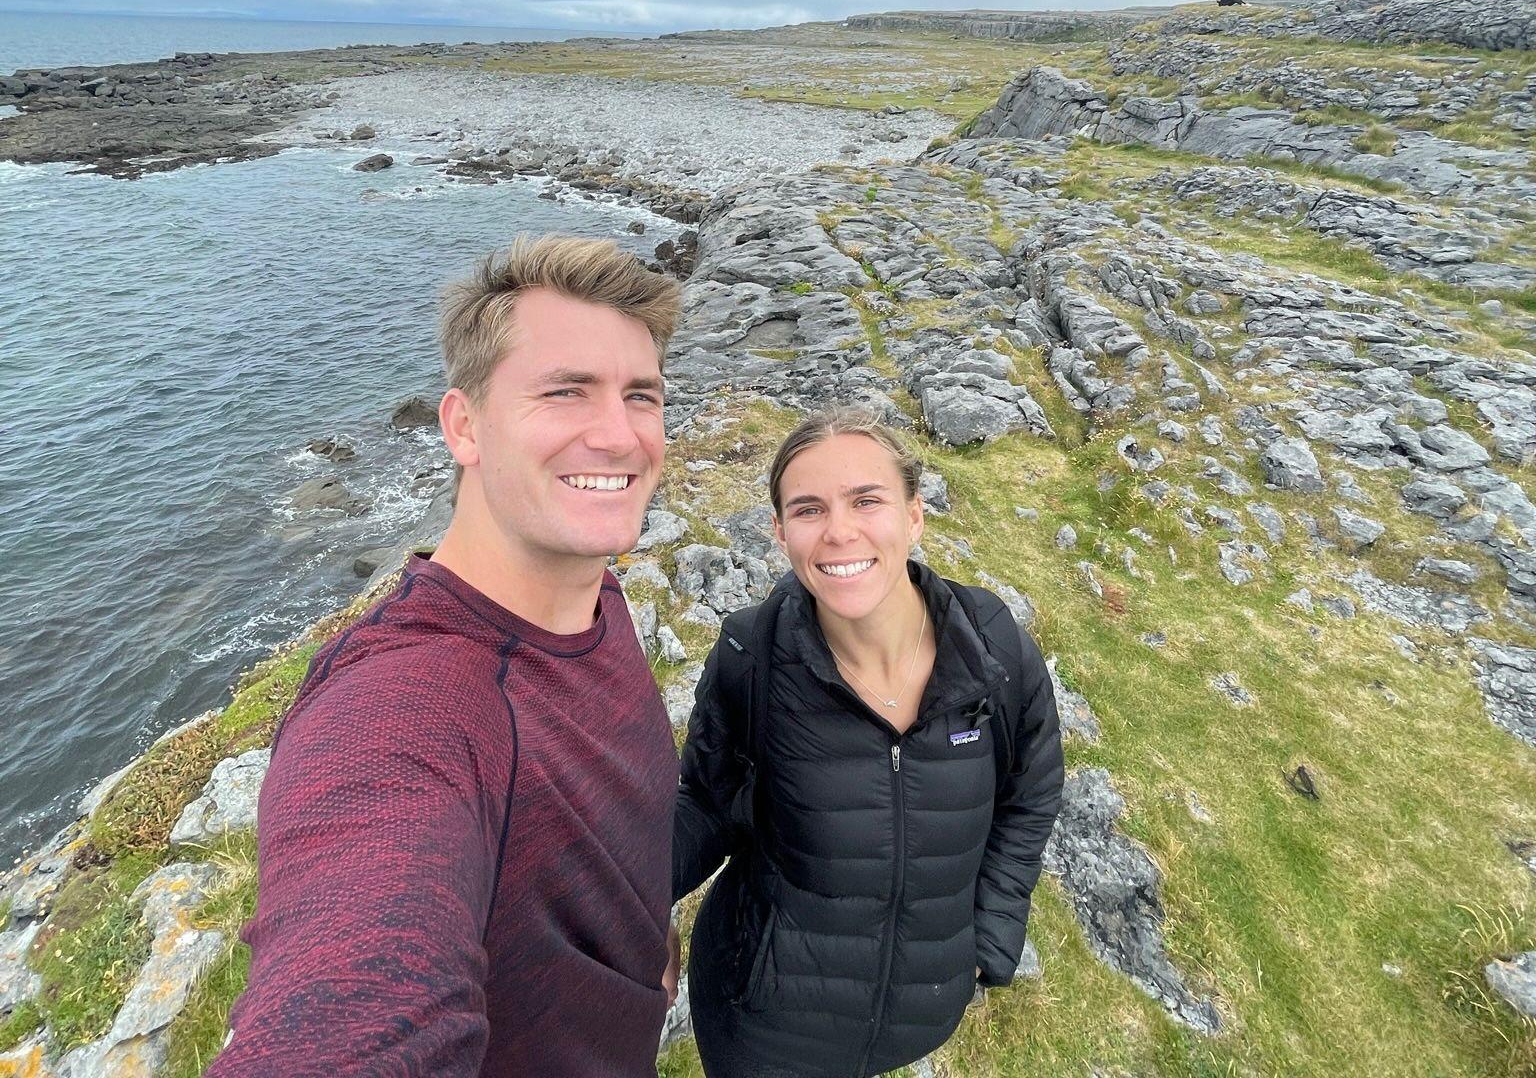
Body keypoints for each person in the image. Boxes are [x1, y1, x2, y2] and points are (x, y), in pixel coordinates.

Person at [210, 236, 684, 1078]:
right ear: (463, 425)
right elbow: (353, 992)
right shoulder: (405, 707)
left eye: (640, 396)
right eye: (565, 391)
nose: (618, 435)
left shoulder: (592, 590)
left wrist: (646, 940)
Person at [674, 408, 1064, 1078]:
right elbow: (706, 809)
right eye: (808, 509)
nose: (839, 532)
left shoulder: (992, 643)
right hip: (762, 1023)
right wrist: (601, 908)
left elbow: (1030, 792)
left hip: (921, 1015)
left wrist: (989, 933)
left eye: (867, 500)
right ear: (779, 532)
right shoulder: (752, 656)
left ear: (914, 514)